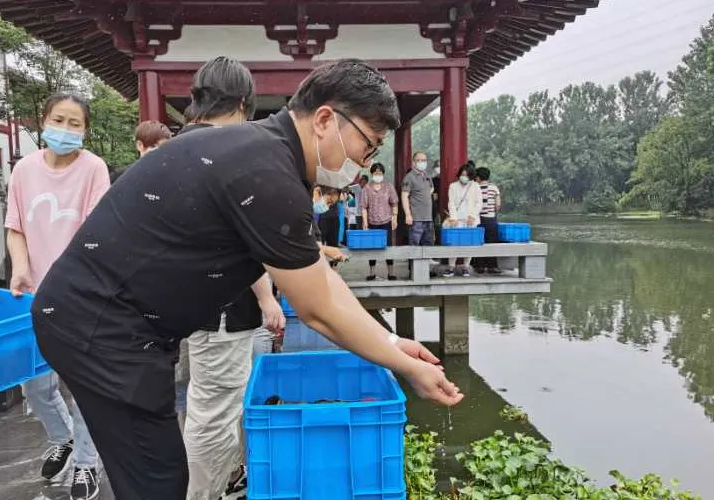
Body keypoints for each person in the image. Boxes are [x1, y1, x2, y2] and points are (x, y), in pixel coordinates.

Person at [30, 58, 463, 500]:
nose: (363, 163)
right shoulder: (267, 173)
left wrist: (390, 342)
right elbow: (318, 311)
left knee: (157, 471)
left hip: (115, 321)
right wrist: (405, 367)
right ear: (325, 120)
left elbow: (320, 279)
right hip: (101, 326)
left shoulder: (264, 155)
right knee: (156, 480)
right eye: (368, 145)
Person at [174, 57, 285, 500]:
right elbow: (246, 243)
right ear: (243, 104)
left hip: (187, 305)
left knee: (213, 403)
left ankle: (229, 480)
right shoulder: (226, 155)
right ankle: (202, 494)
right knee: (213, 414)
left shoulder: (177, 149)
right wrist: (269, 299)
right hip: (219, 309)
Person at [5, 93, 110, 500]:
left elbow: (96, 234)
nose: (65, 129)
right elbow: (15, 227)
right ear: (44, 121)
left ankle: (86, 462)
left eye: (74, 123)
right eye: (58, 120)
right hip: (34, 293)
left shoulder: (93, 169)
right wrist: (20, 268)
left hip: (80, 294)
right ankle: (61, 437)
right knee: (34, 384)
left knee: (82, 384)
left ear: (85, 130)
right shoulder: (24, 170)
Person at [443, 163, 483, 277]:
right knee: (453, 243)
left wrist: (472, 216)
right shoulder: (453, 186)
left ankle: (466, 267)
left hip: (470, 220)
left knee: (469, 244)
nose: (464, 177)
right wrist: (453, 218)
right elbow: (451, 203)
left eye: (466, 175)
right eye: (462, 174)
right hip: (457, 219)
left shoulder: (475, 186)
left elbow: (479, 202)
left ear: (471, 176)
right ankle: (451, 267)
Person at [360, 162, 398, 280]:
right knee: (372, 247)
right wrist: (365, 222)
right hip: (372, 222)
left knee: (388, 247)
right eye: (376, 173)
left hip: (386, 221)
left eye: (380, 173)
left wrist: (395, 218)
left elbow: (394, 203)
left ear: (383, 173)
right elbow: (364, 207)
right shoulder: (366, 188)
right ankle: (372, 273)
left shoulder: (389, 187)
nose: (378, 175)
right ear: (372, 174)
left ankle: (390, 272)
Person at [474, 166, 502, 274]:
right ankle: (492, 266)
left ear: (478, 177)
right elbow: (498, 204)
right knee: (492, 242)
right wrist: (494, 213)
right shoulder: (494, 188)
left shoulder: (475, 188)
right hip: (491, 219)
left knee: (479, 242)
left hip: (478, 219)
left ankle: (480, 266)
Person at [402, 151, 435, 247]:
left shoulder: (427, 175)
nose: (422, 162)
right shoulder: (409, 177)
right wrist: (408, 215)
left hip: (428, 218)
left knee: (429, 245)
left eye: (424, 160)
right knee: (414, 246)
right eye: (419, 160)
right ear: (413, 162)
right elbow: (404, 196)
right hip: (416, 219)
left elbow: (431, 188)